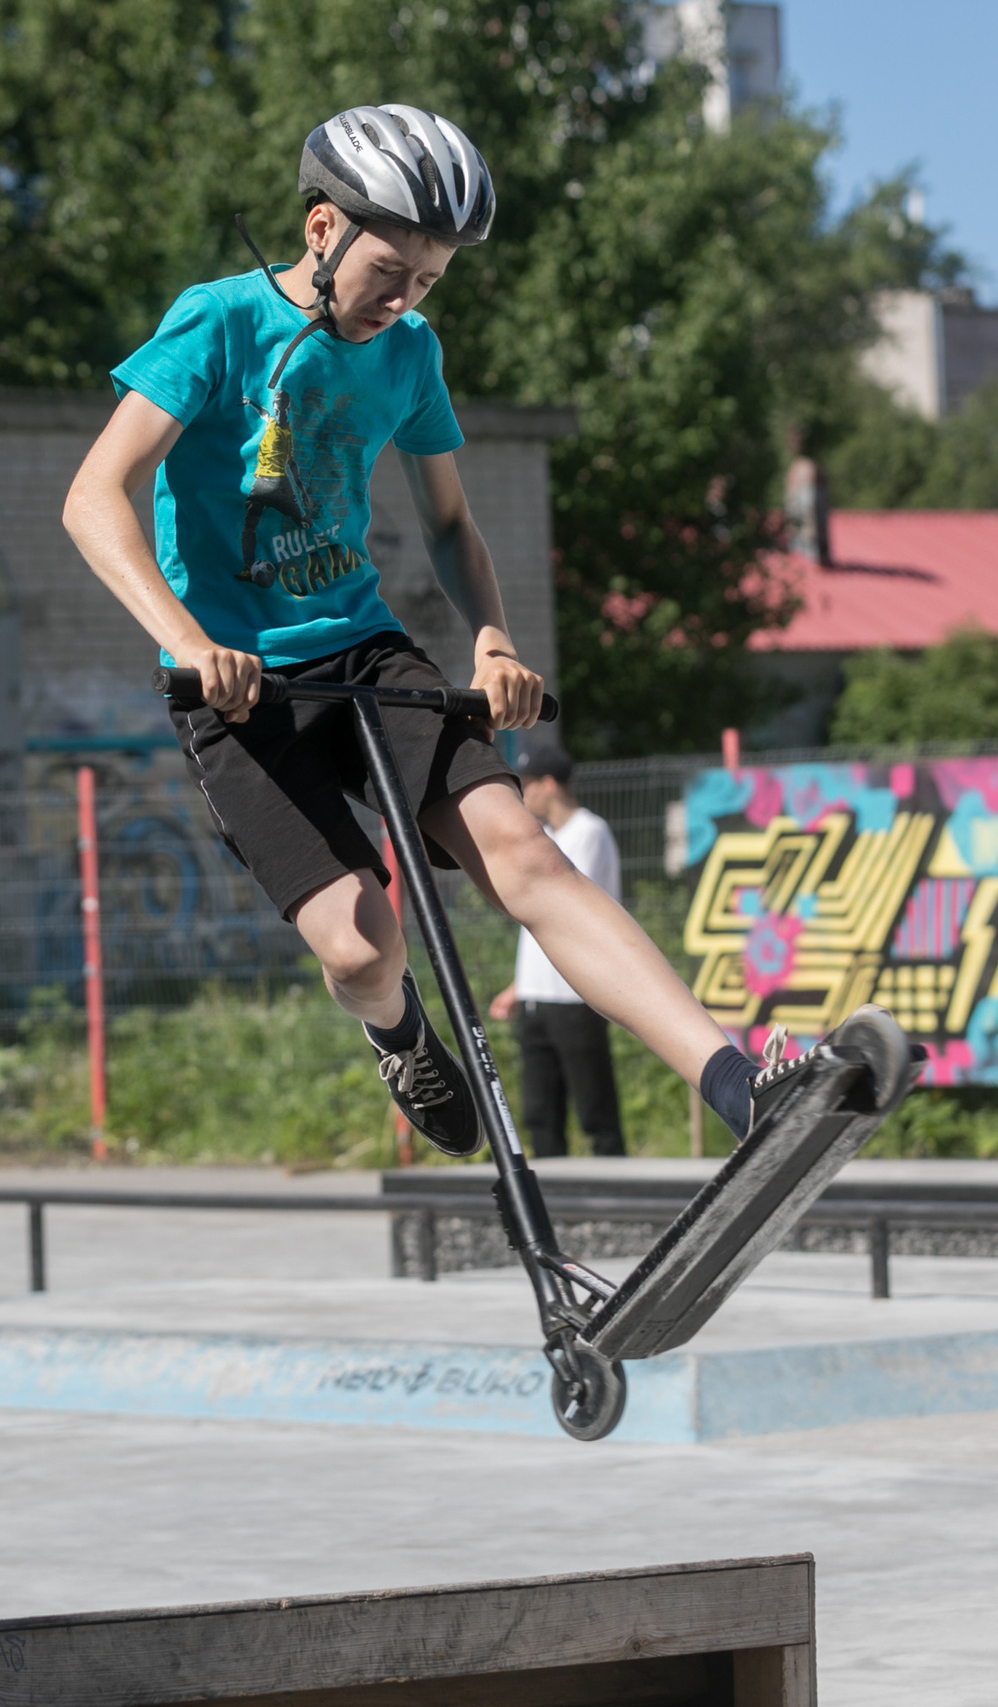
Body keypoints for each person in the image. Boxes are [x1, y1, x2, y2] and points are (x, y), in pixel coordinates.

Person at [62, 102, 888, 1163]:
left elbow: (449, 523)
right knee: (360, 943)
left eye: (430, 280)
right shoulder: (215, 324)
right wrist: (185, 640)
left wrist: (492, 638)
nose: (404, 298)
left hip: (363, 648)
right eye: (389, 271)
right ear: (322, 231)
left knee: (525, 856)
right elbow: (95, 497)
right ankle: (400, 1036)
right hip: (238, 692)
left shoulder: (406, 355)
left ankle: (739, 1088)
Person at [487, 745, 625, 1157]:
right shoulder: (544, 837)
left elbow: (560, 909)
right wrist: (518, 985)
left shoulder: (589, 831)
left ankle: (617, 1193)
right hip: (536, 995)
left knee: (594, 1106)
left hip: (575, 993)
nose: (523, 797)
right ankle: (551, 1198)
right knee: (539, 1110)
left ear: (549, 785)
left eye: (527, 787)